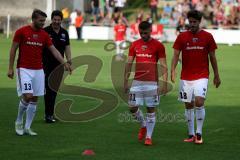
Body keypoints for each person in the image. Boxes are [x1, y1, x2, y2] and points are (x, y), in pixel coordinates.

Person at [7, 9, 72, 136]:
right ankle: (19, 120)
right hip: (24, 69)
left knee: (35, 99)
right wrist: (10, 68)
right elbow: (13, 50)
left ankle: (27, 127)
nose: (43, 23)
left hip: (38, 70)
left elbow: (54, 50)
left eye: (44, 21)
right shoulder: (21, 32)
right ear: (34, 19)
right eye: (41, 21)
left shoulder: (44, 35)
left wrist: (65, 63)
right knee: (28, 96)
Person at [171, 10, 221, 144]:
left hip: (202, 76)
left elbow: (212, 57)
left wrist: (216, 74)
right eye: (190, 22)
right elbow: (176, 55)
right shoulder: (182, 37)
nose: (192, 24)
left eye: (195, 22)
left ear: (199, 22)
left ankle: (199, 133)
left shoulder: (208, 36)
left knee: (199, 102)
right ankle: (191, 133)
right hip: (186, 77)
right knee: (188, 105)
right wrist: (172, 70)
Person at [124, 21, 168, 146]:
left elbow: (164, 65)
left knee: (150, 109)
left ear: (151, 31)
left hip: (152, 83)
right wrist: (125, 81)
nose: (143, 35)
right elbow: (128, 64)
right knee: (132, 107)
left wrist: (164, 83)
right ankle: (143, 125)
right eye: (141, 33)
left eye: (146, 33)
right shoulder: (134, 45)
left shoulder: (159, 45)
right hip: (137, 82)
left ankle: (148, 137)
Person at [43, 10, 72, 123]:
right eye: (54, 19)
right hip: (46, 65)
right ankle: (48, 114)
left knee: (54, 90)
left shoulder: (64, 32)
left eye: (58, 20)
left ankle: (50, 114)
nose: (56, 22)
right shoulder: (45, 31)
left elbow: (67, 48)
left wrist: (69, 61)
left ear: (61, 20)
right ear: (51, 19)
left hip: (59, 66)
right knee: (48, 90)